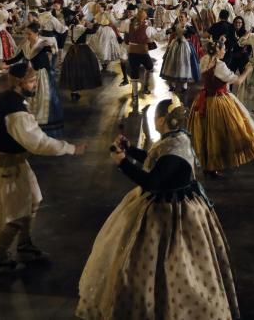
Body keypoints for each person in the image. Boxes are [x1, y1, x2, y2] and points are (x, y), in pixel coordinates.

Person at [76, 101, 239, 320]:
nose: (154, 121)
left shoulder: (175, 148)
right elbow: (157, 162)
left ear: (162, 120)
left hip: (171, 212)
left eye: (155, 117)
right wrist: (131, 151)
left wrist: (122, 162)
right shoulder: (176, 139)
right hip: (173, 203)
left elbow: (152, 181)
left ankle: (166, 308)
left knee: (167, 262)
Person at [0, 64, 87, 271]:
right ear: (18, 83)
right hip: (8, 168)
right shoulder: (15, 112)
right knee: (15, 215)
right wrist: (71, 149)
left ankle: (24, 246)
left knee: (34, 199)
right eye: (31, 82)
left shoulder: (8, 100)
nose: (35, 85)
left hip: (16, 162)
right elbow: (39, 143)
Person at [187, 40, 254, 176]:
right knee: (224, 132)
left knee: (206, 134)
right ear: (217, 51)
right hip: (218, 101)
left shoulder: (204, 59)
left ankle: (208, 166)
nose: (225, 51)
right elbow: (238, 80)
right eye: (224, 49)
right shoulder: (220, 65)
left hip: (204, 99)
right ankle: (216, 164)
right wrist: (248, 70)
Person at [5, 23, 65, 139]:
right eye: (26, 33)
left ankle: (43, 122)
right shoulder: (26, 45)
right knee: (30, 97)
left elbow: (54, 52)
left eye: (29, 34)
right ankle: (31, 120)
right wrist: (5, 63)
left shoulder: (43, 44)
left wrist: (52, 62)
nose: (27, 36)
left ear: (37, 33)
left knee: (44, 97)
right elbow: (17, 58)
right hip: (30, 74)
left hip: (42, 75)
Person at [59, 21, 103, 103]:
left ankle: (74, 92)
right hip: (83, 51)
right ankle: (83, 86)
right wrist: (97, 24)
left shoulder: (71, 28)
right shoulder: (82, 29)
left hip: (72, 50)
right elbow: (93, 31)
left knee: (73, 71)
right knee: (86, 69)